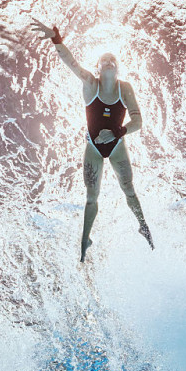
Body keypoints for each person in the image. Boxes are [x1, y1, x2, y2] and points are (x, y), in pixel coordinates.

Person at [31, 19, 154, 262]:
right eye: (104, 60)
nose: (109, 62)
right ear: (98, 68)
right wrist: (56, 38)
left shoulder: (125, 89)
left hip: (117, 147)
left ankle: (142, 225)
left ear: (117, 68)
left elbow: (138, 122)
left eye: (113, 61)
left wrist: (118, 132)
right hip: (94, 149)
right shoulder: (90, 83)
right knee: (91, 197)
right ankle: (85, 239)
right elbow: (71, 63)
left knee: (129, 190)